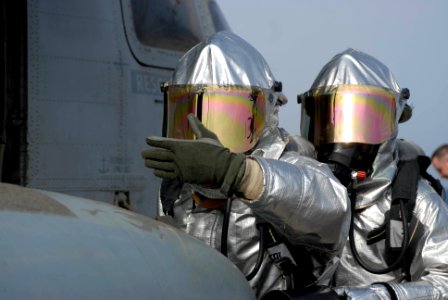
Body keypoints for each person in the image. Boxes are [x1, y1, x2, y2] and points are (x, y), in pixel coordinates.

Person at [141, 31, 350, 299]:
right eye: (191, 118)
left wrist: (240, 174)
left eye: (227, 120)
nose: (208, 140)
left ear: (268, 115)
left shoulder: (287, 169)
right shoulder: (176, 189)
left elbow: (332, 208)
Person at [298, 48, 448, 298]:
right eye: (331, 123)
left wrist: (372, 296)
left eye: (361, 124)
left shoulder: (418, 203)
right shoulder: (299, 194)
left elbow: (444, 281)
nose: (343, 142)